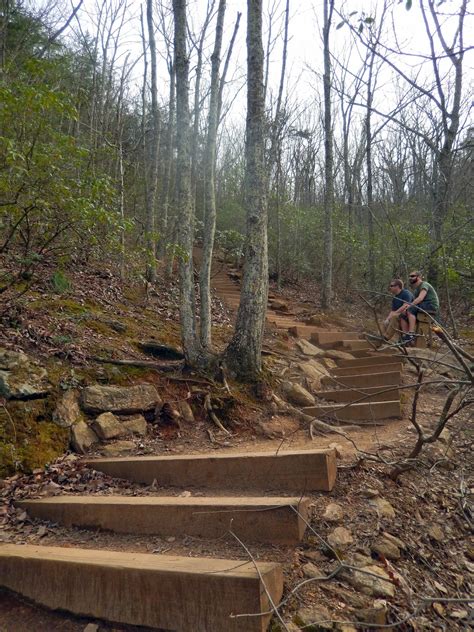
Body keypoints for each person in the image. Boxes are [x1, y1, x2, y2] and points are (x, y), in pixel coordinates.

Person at [403, 271, 440, 345]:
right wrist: (405, 307)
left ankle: (411, 334)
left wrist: (409, 306)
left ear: (419, 277)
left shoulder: (424, 284)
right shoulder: (416, 289)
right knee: (403, 315)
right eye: (410, 276)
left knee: (410, 309)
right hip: (423, 305)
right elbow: (414, 301)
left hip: (431, 305)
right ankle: (406, 336)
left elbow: (420, 298)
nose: (410, 278)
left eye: (413, 276)